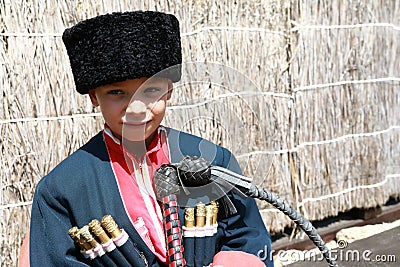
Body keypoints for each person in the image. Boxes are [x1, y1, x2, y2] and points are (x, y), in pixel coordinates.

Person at [27, 11, 274, 267]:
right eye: (116, 92)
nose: (136, 108)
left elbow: (249, 241)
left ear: (169, 90)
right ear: (92, 96)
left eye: (151, 90)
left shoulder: (214, 161)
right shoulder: (62, 189)